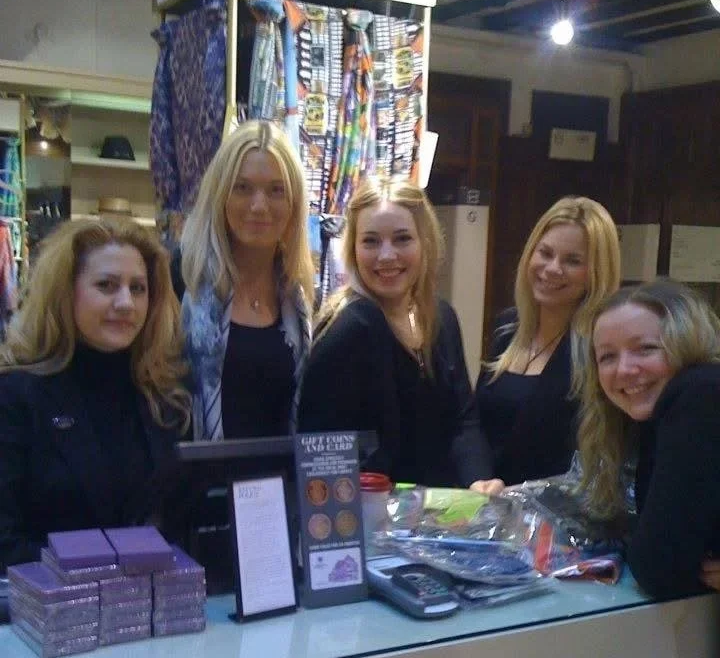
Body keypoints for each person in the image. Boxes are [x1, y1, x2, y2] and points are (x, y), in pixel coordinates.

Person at [0, 215, 190, 572]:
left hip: (150, 615)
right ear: (65, 291)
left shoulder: (164, 400)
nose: (125, 303)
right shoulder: (15, 397)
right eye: (106, 285)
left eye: (138, 288)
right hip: (45, 616)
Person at [298, 177, 501, 492]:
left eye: (402, 239)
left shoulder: (441, 317)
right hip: (375, 524)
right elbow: (324, 454)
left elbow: (464, 419)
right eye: (371, 241)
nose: (387, 255)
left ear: (425, 242)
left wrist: (480, 480)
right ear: (352, 248)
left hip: (442, 521)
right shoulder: (349, 329)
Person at [579, 279, 720, 599]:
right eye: (607, 357)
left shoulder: (700, 394)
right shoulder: (659, 416)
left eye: (646, 348)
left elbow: (660, 568)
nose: (625, 369)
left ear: (686, 344)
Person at [181, 120, 314, 441]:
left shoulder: (300, 299)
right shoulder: (181, 279)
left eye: (276, 190)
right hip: (200, 486)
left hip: (281, 486)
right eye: (243, 188)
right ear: (220, 195)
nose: (259, 205)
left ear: (294, 204)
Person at [474, 196, 620, 485]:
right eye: (546, 253)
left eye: (572, 261)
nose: (553, 269)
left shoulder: (601, 345)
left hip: (556, 516)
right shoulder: (507, 327)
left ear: (597, 274)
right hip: (489, 508)